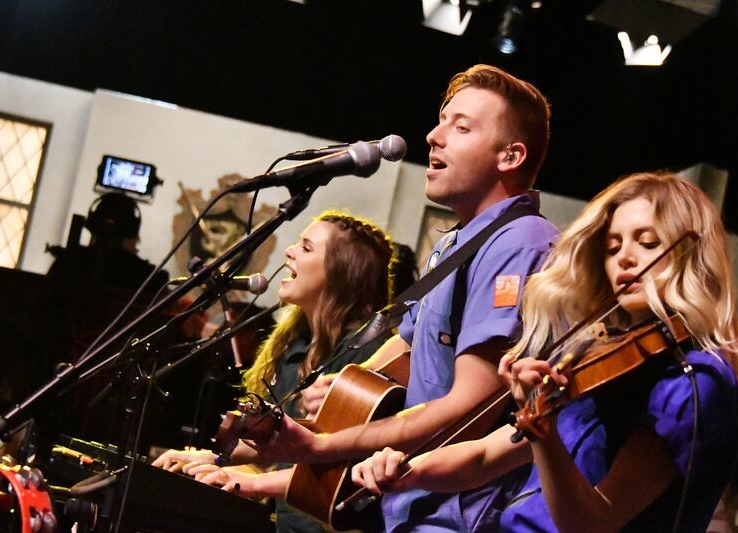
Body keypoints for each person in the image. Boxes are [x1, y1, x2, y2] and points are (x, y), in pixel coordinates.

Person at [190, 64, 559, 533]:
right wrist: (344, 382)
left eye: (461, 127)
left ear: (510, 156)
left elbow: (469, 404)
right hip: (414, 507)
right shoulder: (455, 243)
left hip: (463, 515)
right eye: (441, 120)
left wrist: (320, 447)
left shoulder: (520, 242)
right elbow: (406, 347)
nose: (433, 136)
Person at [350, 172, 738, 533]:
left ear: (691, 256)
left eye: (648, 243)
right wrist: (405, 469)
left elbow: (593, 523)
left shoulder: (695, 382)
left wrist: (542, 435)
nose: (625, 258)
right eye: (612, 248)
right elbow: (485, 457)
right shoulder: (607, 360)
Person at [153, 210, 395, 533]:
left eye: (306, 247)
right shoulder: (296, 345)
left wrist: (245, 481)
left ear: (342, 273)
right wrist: (211, 458)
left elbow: (339, 474)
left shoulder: (367, 355)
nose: (289, 251)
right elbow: (271, 448)